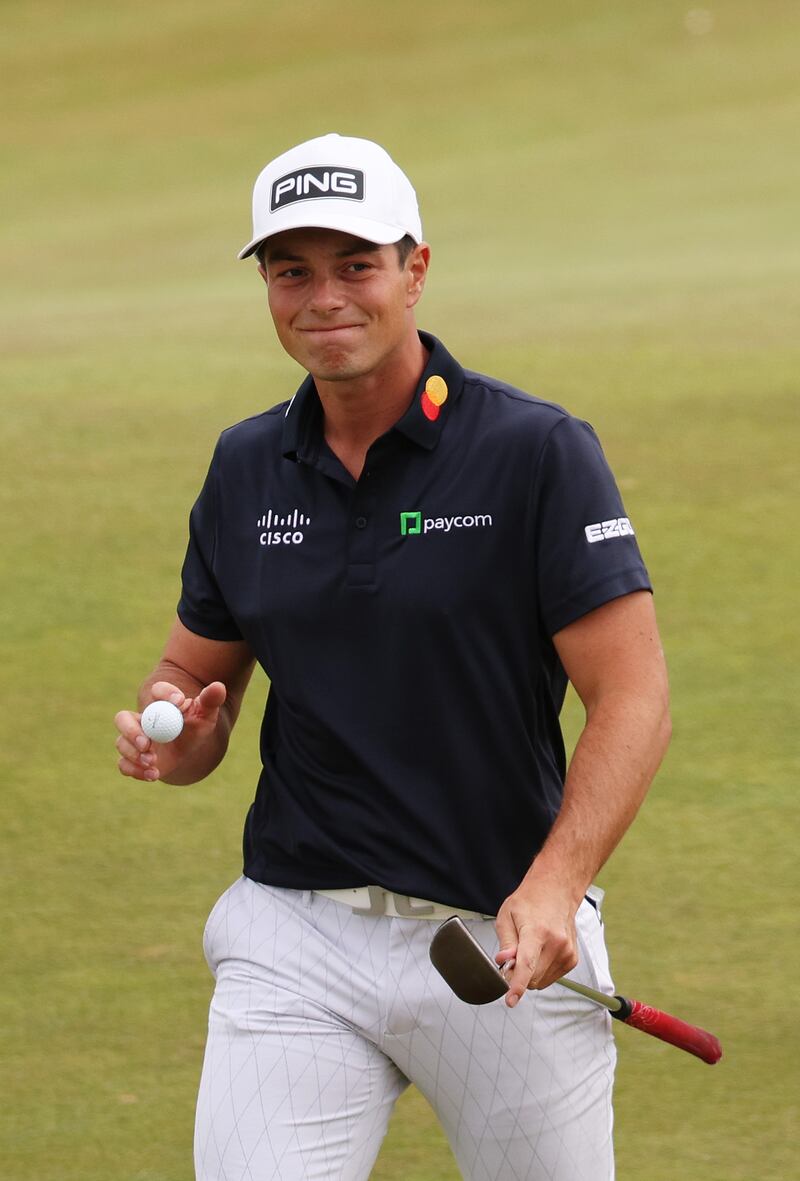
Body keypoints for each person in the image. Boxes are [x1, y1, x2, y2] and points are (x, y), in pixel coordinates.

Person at [115, 133, 671, 1181]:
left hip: (494, 938)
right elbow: (190, 681)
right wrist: (176, 733)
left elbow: (632, 696)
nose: (322, 296)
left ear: (414, 269)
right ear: (267, 289)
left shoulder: (535, 451)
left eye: (354, 265)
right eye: (291, 271)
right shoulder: (245, 467)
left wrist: (557, 885)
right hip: (295, 935)